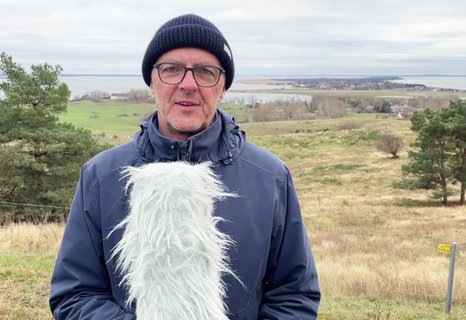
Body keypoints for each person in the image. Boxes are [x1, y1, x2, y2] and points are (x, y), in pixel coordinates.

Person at [49, 13, 320, 319]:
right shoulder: (101, 176)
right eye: (171, 69)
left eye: (205, 72)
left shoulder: (270, 177)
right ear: (152, 82)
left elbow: (294, 294)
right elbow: (75, 294)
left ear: (223, 87)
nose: (188, 84)